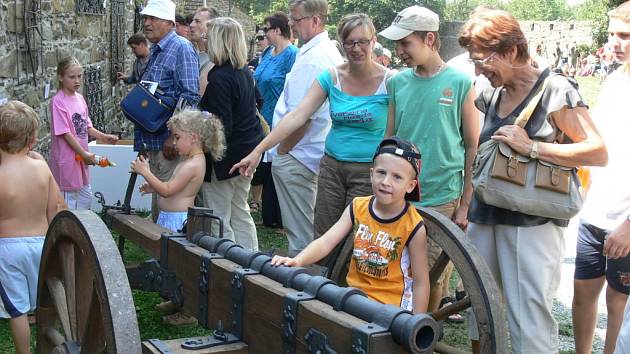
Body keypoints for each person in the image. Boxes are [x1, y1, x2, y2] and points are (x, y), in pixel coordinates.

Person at [458, 8, 607, 354]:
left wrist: (534, 148)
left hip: (532, 223)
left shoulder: (556, 90)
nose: (478, 70)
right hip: (486, 214)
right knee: (479, 312)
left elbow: (598, 152)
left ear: (511, 51)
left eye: (483, 60)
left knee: (529, 323)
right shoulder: (490, 91)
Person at [233, 12, 394, 259]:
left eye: (363, 41)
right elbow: (297, 115)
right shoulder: (331, 77)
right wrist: (258, 151)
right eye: (350, 42)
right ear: (341, 44)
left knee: (358, 237)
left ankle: (352, 294)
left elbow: (399, 130)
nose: (356, 48)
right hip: (332, 168)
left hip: (368, 170)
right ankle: (322, 291)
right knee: (324, 234)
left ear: (373, 42)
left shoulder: (390, 82)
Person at [380, 5, 479, 313]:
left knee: (430, 276)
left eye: (405, 43)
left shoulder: (461, 83)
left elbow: (473, 147)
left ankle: (424, 333)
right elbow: (389, 138)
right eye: (397, 44)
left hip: (440, 196)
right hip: (399, 195)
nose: (399, 51)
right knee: (394, 269)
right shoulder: (397, 82)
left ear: (431, 40)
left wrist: (464, 204)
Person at [271, 137, 429, 313]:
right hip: (354, 299)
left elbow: (421, 282)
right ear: (371, 173)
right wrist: (297, 260)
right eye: (381, 172)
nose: (386, 182)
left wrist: (414, 324)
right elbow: (326, 242)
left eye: (397, 177)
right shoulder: (358, 206)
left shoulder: (413, 226)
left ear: (410, 185)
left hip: (390, 309)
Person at [130, 109, 225, 326]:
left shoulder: (193, 164)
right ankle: (176, 301)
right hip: (170, 218)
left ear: (194, 137)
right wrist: (152, 188)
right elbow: (172, 190)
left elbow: (168, 189)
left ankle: (187, 312)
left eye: (177, 137)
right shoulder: (188, 159)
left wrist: (146, 172)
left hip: (178, 221)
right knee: (170, 265)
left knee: (181, 267)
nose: (173, 142)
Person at [573, 3, 630, 354]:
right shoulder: (612, 80)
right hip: (594, 211)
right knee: (582, 295)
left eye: (624, 35)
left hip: (625, 219)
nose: (615, 43)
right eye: (612, 34)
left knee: (618, 303)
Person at [0, 101, 66, 354]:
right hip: (41, 244)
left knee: (16, 310)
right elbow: (56, 210)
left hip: (8, 250)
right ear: (30, 138)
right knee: (42, 302)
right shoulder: (41, 168)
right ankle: (50, 342)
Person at [198, 17, 264, 251]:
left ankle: (227, 267)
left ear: (219, 41)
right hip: (248, 150)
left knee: (219, 216)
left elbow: (220, 126)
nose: (204, 41)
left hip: (226, 157)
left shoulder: (219, 78)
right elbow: (258, 102)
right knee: (240, 210)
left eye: (207, 37)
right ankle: (253, 263)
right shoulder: (243, 71)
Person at [137, 0, 200, 221]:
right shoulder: (158, 48)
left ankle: (166, 252)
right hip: (154, 141)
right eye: (145, 18)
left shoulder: (181, 48)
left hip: (168, 143)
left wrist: (174, 138)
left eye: (152, 18)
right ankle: (159, 251)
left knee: (167, 204)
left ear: (169, 22)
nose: (146, 23)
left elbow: (190, 95)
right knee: (159, 202)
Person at [49, 56, 119, 210]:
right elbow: (65, 134)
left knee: (85, 198)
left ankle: (79, 231)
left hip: (81, 158)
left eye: (79, 76)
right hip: (67, 160)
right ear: (61, 77)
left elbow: (86, 126)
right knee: (69, 205)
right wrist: (85, 154)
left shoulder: (80, 98)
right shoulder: (58, 101)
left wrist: (103, 137)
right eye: (72, 77)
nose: (77, 81)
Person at [250, 11, 298, 226]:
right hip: (261, 117)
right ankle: (268, 214)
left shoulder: (292, 55)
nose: (264, 34)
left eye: (266, 29)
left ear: (277, 30)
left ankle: (278, 218)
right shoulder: (268, 52)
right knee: (264, 168)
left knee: (276, 169)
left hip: (280, 119)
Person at [189, 6, 219, 95]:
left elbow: (200, 100)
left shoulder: (215, 60)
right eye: (192, 20)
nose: (191, 25)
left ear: (211, 26)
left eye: (197, 21)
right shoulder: (196, 54)